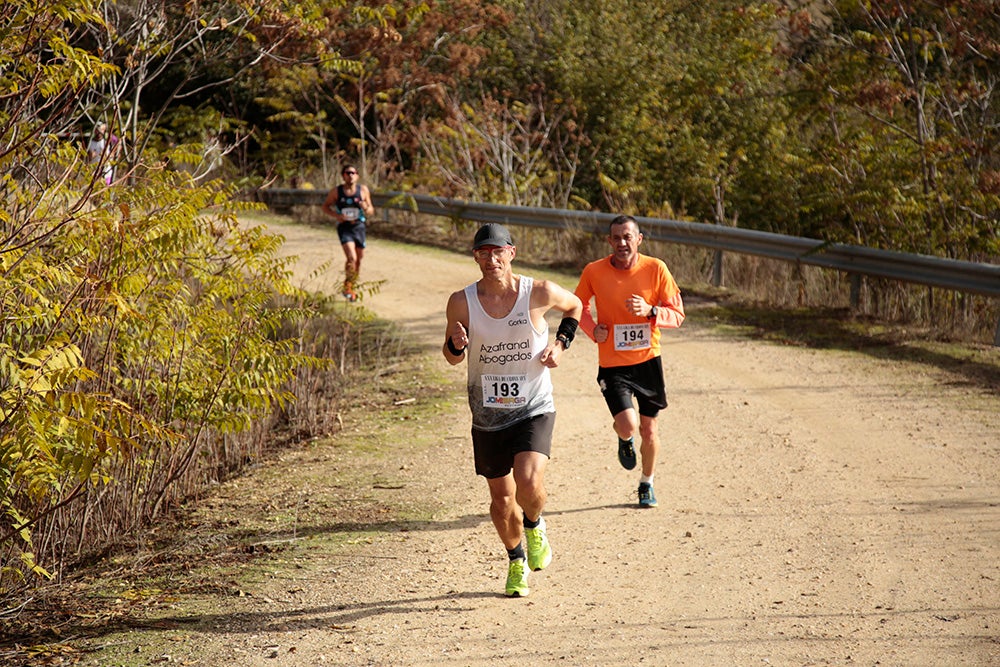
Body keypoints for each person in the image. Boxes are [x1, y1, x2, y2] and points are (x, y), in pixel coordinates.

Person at [443, 222, 583, 597]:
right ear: (476, 257)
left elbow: (575, 306)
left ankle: (535, 526)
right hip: (487, 414)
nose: (491, 259)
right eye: (483, 253)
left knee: (528, 479)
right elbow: (451, 357)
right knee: (502, 502)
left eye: (498, 251)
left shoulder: (537, 292)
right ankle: (516, 560)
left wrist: (561, 344)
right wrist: (456, 345)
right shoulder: (462, 301)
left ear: (511, 253)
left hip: (534, 404)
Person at [574, 214, 685, 508]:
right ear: (609, 241)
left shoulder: (656, 268)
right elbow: (576, 306)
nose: (622, 243)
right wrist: (591, 328)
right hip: (612, 363)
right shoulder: (593, 271)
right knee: (628, 426)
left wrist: (651, 311)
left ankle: (646, 483)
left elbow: (677, 314)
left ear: (639, 239)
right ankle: (624, 439)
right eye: (616, 238)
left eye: (628, 237)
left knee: (649, 430)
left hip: (648, 360)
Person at [322, 165, 375, 302]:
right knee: (351, 257)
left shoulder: (363, 190)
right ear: (343, 175)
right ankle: (348, 288)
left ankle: (352, 285)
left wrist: (366, 207)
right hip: (344, 227)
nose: (351, 175)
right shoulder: (336, 192)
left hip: (359, 226)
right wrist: (336, 216)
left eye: (353, 173)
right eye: (348, 173)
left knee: (358, 259)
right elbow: (325, 206)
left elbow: (371, 210)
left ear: (357, 175)